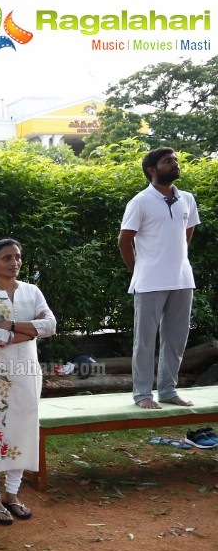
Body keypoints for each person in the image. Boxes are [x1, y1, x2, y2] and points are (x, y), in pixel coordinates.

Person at [0, 239, 55, 526]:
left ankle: (12, 495)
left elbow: (51, 325)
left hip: (27, 372)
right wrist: (31, 331)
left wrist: (13, 326)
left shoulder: (32, 291)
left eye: (17, 257)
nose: (14, 262)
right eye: (6, 258)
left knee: (22, 430)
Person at [118, 147, 199, 410]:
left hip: (182, 280)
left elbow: (187, 232)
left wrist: (177, 260)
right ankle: (142, 394)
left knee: (176, 338)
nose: (174, 164)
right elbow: (124, 241)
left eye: (175, 160)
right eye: (167, 161)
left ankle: (167, 390)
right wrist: (138, 270)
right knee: (145, 340)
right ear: (152, 170)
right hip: (150, 281)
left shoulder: (187, 198)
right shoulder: (140, 201)